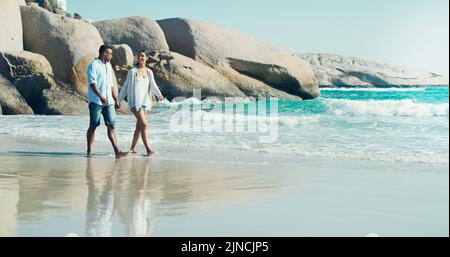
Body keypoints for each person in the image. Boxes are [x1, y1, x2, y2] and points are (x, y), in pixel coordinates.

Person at [118, 50, 164, 156]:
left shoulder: (149, 72)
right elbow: (125, 86)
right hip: (135, 103)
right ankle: (148, 149)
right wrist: (119, 99)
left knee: (139, 127)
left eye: (143, 56)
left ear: (146, 58)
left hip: (145, 103)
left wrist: (159, 95)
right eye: (139, 56)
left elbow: (153, 84)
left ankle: (132, 148)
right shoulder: (132, 71)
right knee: (144, 125)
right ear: (137, 58)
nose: (141, 58)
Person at [86, 45, 128, 159]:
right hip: (96, 102)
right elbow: (92, 84)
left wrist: (116, 98)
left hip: (108, 102)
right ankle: (89, 150)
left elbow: (111, 84)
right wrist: (100, 96)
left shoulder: (108, 66)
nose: (111, 55)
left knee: (111, 126)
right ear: (104, 53)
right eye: (110, 53)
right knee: (93, 125)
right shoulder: (93, 66)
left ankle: (117, 152)